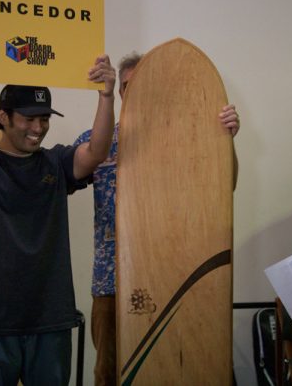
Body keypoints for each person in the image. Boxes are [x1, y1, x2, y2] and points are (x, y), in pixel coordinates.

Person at [0, 36, 116, 385]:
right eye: (29, 119)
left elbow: (96, 151)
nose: (39, 128)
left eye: (44, 118)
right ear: (2, 117)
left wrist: (106, 96)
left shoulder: (56, 161)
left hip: (50, 321)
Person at [74, 52, 241, 385]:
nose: (132, 92)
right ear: (119, 92)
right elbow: (62, 176)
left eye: (141, 85)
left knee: (170, 371)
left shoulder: (187, 138)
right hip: (110, 282)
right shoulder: (97, 140)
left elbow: (225, 187)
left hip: (170, 277)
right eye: (126, 87)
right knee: (108, 374)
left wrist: (226, 142)